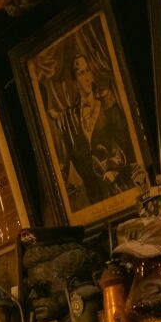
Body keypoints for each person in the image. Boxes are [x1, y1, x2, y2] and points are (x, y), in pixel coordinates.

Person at [58, 54, 137, 208]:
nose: (88, 77)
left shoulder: (106, 100)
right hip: (94, 195)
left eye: (88, 71)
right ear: (74, 81)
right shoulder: (70, 117)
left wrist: (113, 168)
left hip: (119, 185)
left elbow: (124, 138)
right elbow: (72, 155)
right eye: (81, 73)